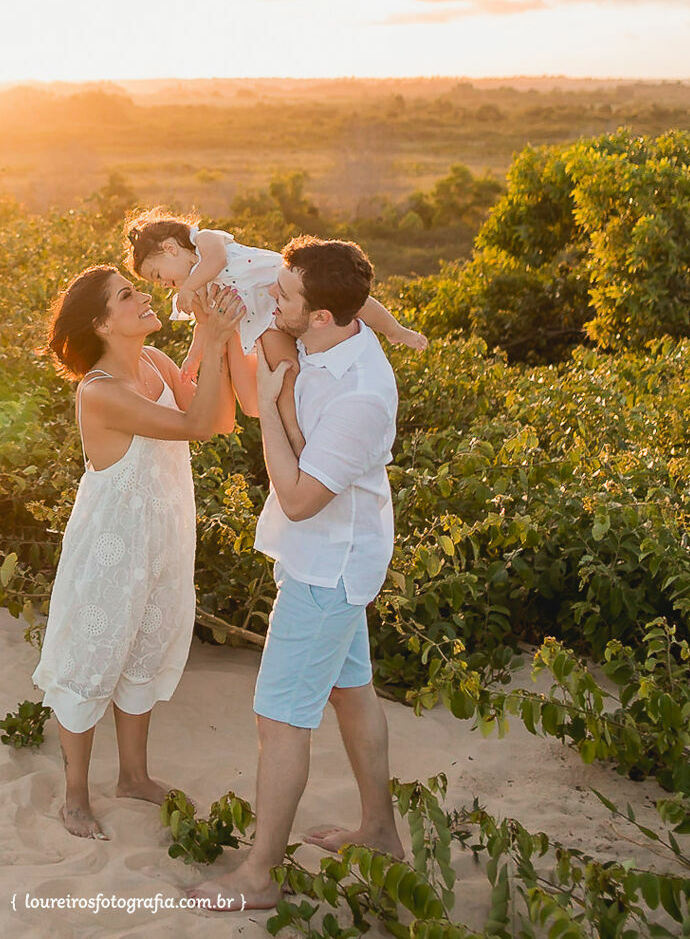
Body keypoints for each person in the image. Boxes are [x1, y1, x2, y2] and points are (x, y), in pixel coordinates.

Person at [186, 237, 406, 911]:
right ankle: (379, 830)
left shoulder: (362, 396)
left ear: (320, 316)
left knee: (279, 717)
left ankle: (260, 874)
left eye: (283, 296)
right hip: (339, 556)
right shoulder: (328, 325)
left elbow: (300, 497)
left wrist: (272, 417)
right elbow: (351, 311)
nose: (271, 300)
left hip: (327, 566)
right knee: (351, 690)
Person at [32, 264, 241, 840]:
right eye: (127, 294)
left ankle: (132, 777)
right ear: (102, 323)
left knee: (146, 649)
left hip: (164, 539)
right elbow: (198, 423)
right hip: (111, 548)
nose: (143, 295)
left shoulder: (151, 363)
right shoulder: (100, 392)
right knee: (91, 657)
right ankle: (75, 797)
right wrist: (218, 338)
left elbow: (217, 416)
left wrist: (208, 336)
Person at [124, 210, 426, 457]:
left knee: (349, 301)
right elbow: (203, 326)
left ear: (170, 249)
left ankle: (395, 329)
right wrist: (193, 357)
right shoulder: (196, 285)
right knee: (282, 374)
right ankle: (296, 436)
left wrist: (189, 287)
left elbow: (216, 261)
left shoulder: (202, 239)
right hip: (263, 322)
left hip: (276, 289)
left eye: (158, 275)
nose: (162, 285)